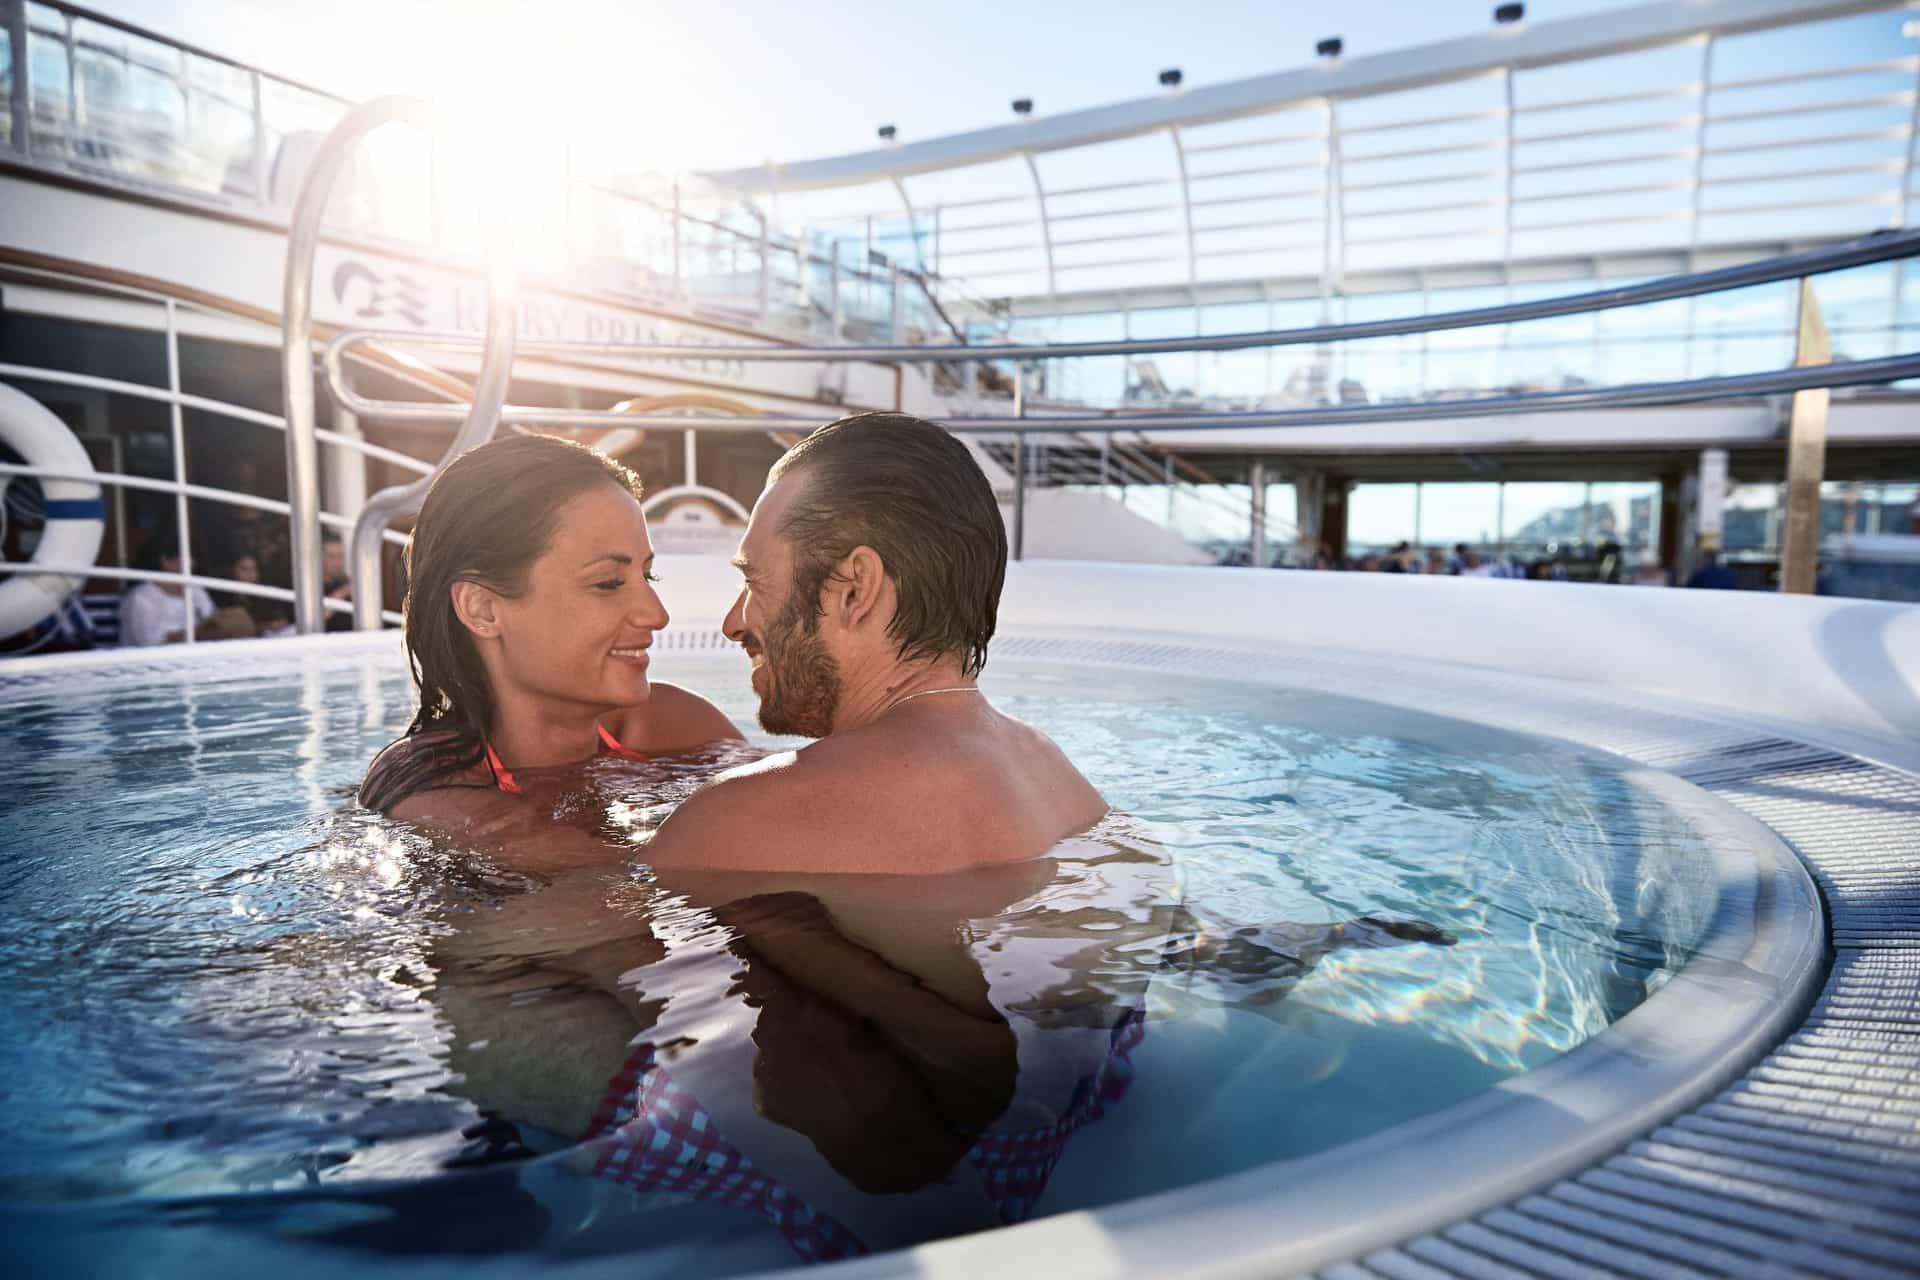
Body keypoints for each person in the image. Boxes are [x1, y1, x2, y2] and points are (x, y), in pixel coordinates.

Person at [642, 412, 1106, 875]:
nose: (732, 623)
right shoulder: (1059, 782)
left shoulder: (737, 822)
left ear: (855, 590)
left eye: (754, 582)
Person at [357, 434, 741, 834]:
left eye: (647, 575)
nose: (657, 615)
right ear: (482, 608)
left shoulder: (677, 728)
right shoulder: (442, 806)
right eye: (608, 583)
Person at [121, 542, 252, 646]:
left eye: (191, 557)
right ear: (165, 561)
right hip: (154, 659)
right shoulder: (140, 597)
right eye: (185, 557)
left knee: (238, 617)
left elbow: (212, 618)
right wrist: (194, 634)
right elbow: (148, 642)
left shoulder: (194, 589)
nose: (190, 562)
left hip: (196, 652)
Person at [320, 533, 356, 632]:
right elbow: (317, 617)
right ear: (319, 557)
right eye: (332, 557)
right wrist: (343, 592)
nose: (337, 562)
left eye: (340, 556)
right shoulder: (312, 587)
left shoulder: (346, 581)